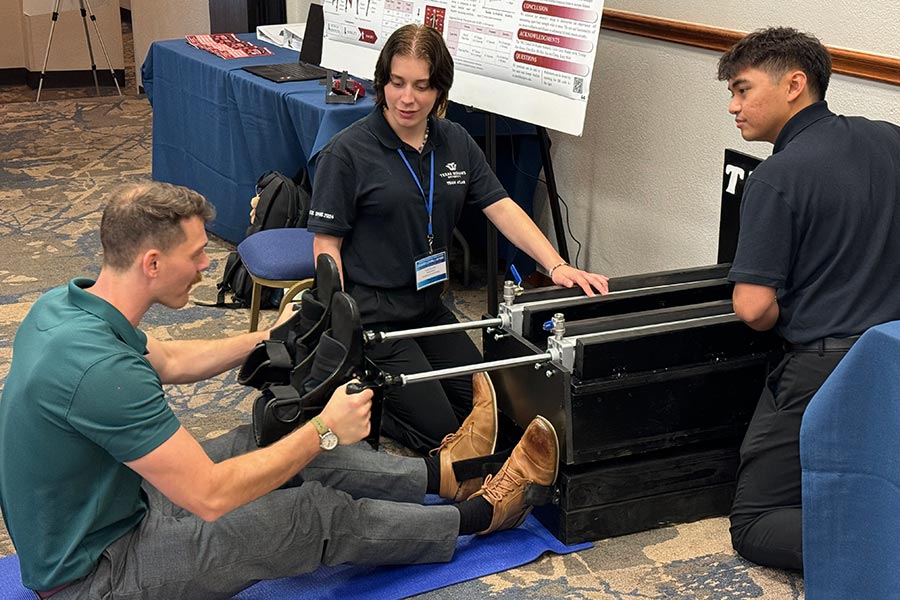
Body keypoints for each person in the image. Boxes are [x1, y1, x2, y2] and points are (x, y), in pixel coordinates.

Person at [0, 181, 561, 599]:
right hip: (97, 575)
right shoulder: (103, 374)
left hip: (112, 509)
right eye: (195, 254)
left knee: (268, 447)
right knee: (309, 514)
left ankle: (443, 474)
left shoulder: (65, 308)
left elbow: (169, 358)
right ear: (152, 262)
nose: (205, 265)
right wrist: (323, 430)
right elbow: (211, 496)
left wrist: (267, 338)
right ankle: (483, 516)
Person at [307, 23, 609, 454]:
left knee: (492, 412)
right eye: (397, 83)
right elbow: (326, 247)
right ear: (382, 82)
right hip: (374, 318)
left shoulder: (455, 141)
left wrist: (557, 265)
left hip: (430, 308)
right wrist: (341, 329)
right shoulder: (348, 152)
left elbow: (502, 207)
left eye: (422, 86)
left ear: (440, 89)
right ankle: (369, 394)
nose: (407, 98)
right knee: (446, 436)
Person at [717, 27, 900, 570]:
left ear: (795, 84)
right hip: (891, 352)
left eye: (744, 90)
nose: (733, 106)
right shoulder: (890, 139)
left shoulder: (776, 176)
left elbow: (752, 308)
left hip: (826, 367)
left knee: (754, 522)